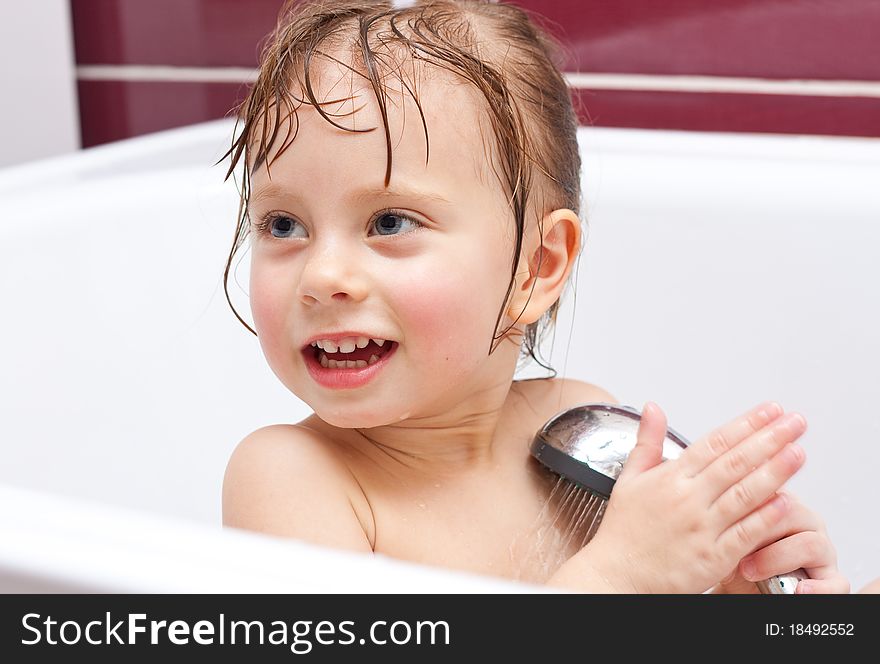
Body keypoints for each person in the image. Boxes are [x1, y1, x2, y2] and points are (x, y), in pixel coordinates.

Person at [220, 0, 847, 593]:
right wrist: (620, 576)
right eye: (283, 225)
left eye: (389, 223)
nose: (322, 274)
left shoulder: (580, 436)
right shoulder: (291, 480)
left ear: (537, 267)